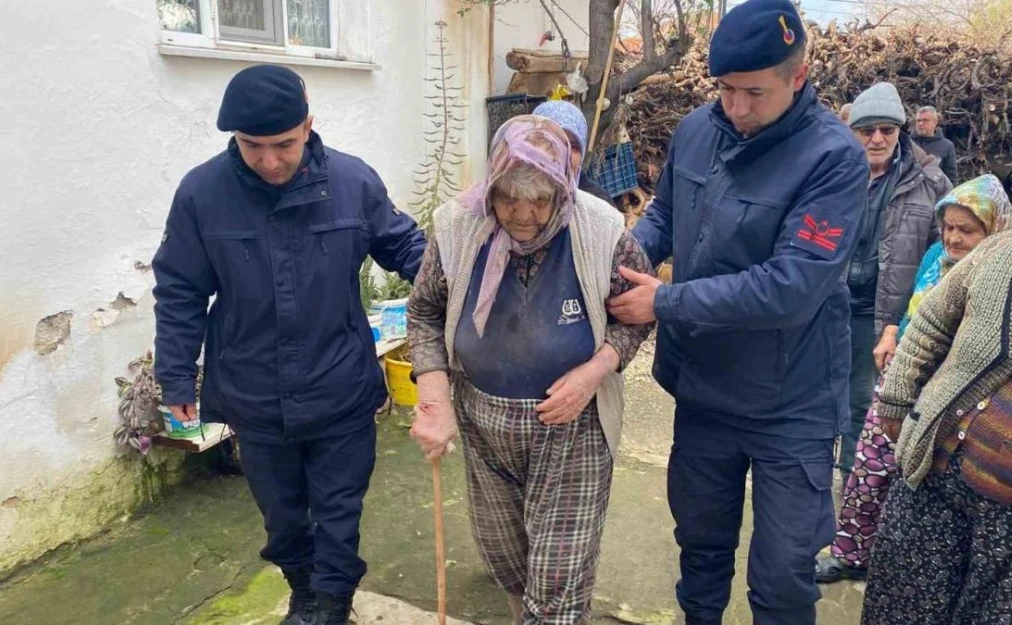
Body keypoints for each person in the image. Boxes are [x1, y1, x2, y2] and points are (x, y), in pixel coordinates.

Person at [606, 0, 870, 623]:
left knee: (782, 578)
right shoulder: (698, 129)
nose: (737, 107)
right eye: (725, 89)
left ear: (798, 77)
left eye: (755, 91)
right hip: (705, 389)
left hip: (791, 401)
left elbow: (793, 284)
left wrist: (663, 301)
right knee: (699, 549)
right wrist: (626, 261)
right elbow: (666, 213)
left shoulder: (834, 158)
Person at [152, 65, 427, 625]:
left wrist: (474, 282)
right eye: (253, 146)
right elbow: (179, 289)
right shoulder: (202, 194)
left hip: (341, 387)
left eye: (284, 144)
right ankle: (303, 590)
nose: (271, 161)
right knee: (282, 519)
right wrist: (176, 375)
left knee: (338, 514)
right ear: (234, 137)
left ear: (308, 126)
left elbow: (412, 254)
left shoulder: (354, 183)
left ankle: (329, 606)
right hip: (254, 393)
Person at [406, 115, 654, 624]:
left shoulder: (603, 230)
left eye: (540, 200)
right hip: (483, 419)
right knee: (504, 550)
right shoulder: (457, 226)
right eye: (508, 199)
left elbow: (637, 313)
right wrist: (434, 401)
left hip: (573, 424)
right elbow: (425, 311)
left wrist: (595, 370)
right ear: (491, 185)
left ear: (563, 190)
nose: (523, 215)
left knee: (560, 571)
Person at [860, 151, 1012, 625]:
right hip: (931, 481)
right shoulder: (1008, 249)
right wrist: (898, 393)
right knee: (900, 609)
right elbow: (933, 319)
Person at [814, 174, 1012, 583]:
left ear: (993, 229)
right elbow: (912, 308)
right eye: (949, 227)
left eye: (967, 230)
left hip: (955, 400)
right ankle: (851, 553)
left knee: (921, 487)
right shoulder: (933, 258)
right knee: (870, 469)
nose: (954, 239)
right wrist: (893, 330)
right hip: (902, 380)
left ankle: (906, 573)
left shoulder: (1008, 276)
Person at [839, 82, 952, 477]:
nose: (877, 139)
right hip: (826, 311)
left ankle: (849, 496)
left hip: (882, 318)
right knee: (813, 405)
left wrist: (902, 323)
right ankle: (808, 496)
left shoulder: (930, 183)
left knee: (862, 407)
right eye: (866, 130)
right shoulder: (829, 174)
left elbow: (945, 258)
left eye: (887, 129)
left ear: (900, 130)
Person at [532, 100, 618, 208]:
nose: (564, 155)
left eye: (573, 147)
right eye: (553, 143)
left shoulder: (598, 207)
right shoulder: (513, 196)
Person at [913, 105, 958, 183]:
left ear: (935, 122)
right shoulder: (905, 142)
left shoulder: (947, 146)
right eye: (918, 120)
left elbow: (951, 177)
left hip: (935, 192)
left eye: (925, 120)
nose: (920, 124)